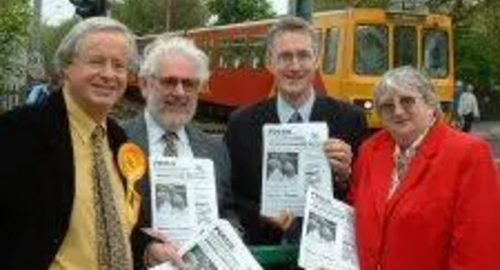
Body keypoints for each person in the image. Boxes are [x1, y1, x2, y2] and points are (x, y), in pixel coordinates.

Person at [0, 17, 141, 270]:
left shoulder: (119, 140)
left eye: (119, 66)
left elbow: (122, 226)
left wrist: (149, 247)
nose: (109, 74)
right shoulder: (20, 132)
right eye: (97, 62)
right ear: (66, 66)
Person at [225, 16, 368, 245]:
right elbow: (231, 195)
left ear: (317, 60)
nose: (294, 66)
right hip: (263, 253)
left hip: (326, 256)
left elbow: (367, 197)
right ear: (270, 62)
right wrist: (262, 212)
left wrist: (345, 176)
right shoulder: (241, 123)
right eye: (285, 57)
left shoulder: (350, 119)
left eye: (303, 55)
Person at [350, 66, 500, 270]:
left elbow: (477, 248)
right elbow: (353, 216)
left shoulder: (468, 154)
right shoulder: (370, 150)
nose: (398, 111)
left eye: (407, 101)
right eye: (387, 105)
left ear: (430, 105)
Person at [123, 35, 235, 268]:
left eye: (189, 83)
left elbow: (228, 212)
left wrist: (229, 242)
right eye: (169, 81)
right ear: (145, 85)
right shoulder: (116, 141)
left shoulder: (214, 148)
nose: (180, 92)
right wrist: (144, 249)